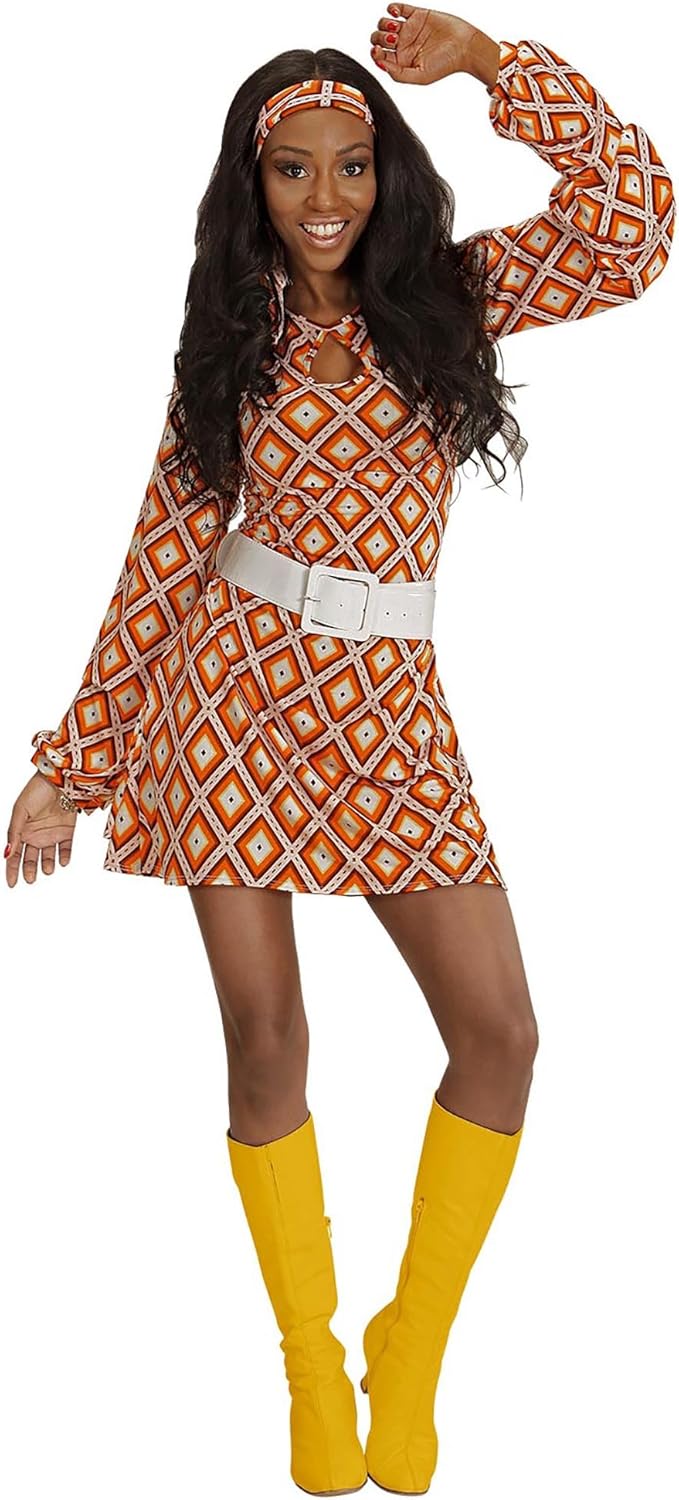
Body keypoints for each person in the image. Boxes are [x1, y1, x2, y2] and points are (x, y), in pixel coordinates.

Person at [6, 7, 674, 1495]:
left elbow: (637, 226)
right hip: (232, 700)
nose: (325, 197)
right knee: (267, 1042)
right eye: (293, 168)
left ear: (389, 174)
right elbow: (164, 553)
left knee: (502, 1038)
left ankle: (408, 1345)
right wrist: (74, 759)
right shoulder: (230, 343)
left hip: (390, 711)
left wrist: (492, 63)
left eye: (352, 165)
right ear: (251, 185)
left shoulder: (452, 298)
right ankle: (309, 1360)